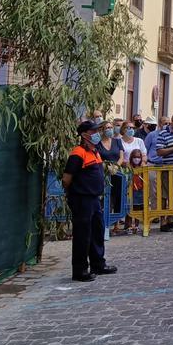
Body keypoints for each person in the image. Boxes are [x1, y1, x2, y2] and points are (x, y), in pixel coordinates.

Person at [62, 120, 117, 282]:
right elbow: (67, 178)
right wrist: (74, 194)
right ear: (85, 135)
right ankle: (80, 270)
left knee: (97, 232)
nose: (97, 134)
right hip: (82, 199)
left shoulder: (95, 152)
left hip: (94, 199)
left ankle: (98, 264)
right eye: (94, 132)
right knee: (82, 236)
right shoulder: (78, 153)